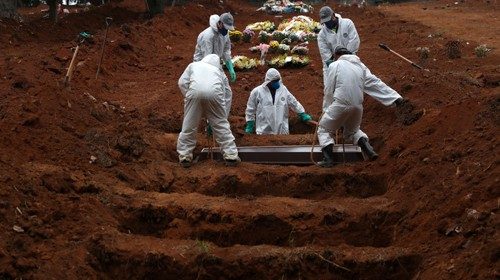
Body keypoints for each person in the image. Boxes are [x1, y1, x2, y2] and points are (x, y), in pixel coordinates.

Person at [317, 6, 408, 108]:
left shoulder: (347, 23)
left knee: (368, 79)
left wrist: (345, 55)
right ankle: (328, 118)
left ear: (333, 15)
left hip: (351, 59)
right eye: (325, 22)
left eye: (328, 21)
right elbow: (327, 58)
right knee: (330, 91)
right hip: (333, 66)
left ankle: (395, 99)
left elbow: (355, 42)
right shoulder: (321, 35)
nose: (327, 24)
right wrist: (336, 59)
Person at [317, 46, 384, 167]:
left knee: (323, 129)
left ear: (337, 55)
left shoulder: (335, 65)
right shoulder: (360, 67)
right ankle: (369, 150)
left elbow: (329, 90)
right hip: (358, 106)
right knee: (353, 131)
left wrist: (326, 109)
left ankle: (328, 160)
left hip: (341, 103)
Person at [177, 54, 240, 168]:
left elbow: (181, 83)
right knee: (221, 125)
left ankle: (185, 156)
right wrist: (222, 115)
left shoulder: (193, 65)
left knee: (189, 125)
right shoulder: (219, 72)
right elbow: (227, 94)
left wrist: (190, 96)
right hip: (215, 95)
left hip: (193, 93)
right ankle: (231, 155)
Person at [244, 68, 315, 135]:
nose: (277, 83)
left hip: (282, 131)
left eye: (278, 80)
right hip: (264, 131)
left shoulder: (283, 89)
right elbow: (250, 108)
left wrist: (301, 113)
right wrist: (250, 123)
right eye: (274, 81)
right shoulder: (257, 92)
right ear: (268, 81)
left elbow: (293, 102)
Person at [193, 12, 237, 83]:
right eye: (225, 28)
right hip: (202, 65)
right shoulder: (207, 36)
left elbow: (226, 50)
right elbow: (207, 57)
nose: (226, 30)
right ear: (220, 23)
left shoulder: (224, 33)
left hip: (215, 63)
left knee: (225, 88)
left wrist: (230, 67)